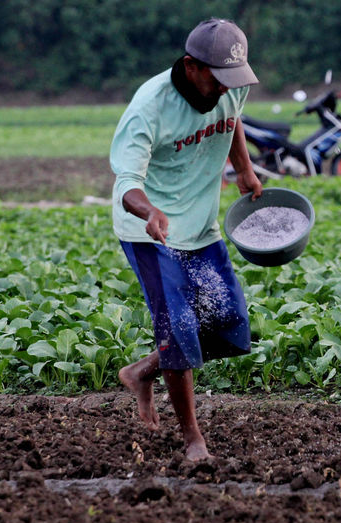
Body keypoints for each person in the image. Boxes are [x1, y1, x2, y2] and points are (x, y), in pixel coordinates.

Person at [110, 18, 263, 461]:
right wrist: (150, 212)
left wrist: (244, 168)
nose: (226, 89)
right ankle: (193, 439)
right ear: (192, 66)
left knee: (230, 329)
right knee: (178, 329)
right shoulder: (149, 108)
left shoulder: (229, 85)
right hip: (151, 234)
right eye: (219, 79)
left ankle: (143, 371)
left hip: (200, 227)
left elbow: (231, 118)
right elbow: (126, 184)